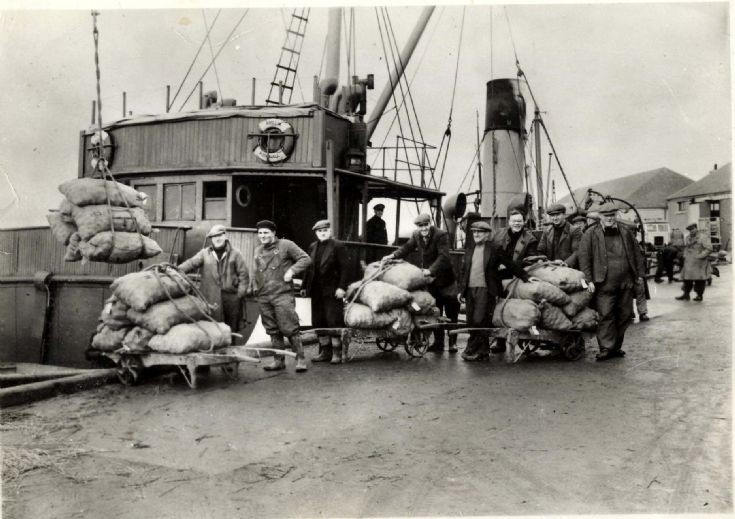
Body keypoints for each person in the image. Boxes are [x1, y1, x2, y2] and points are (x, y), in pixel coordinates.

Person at [578, 202, 645, 361]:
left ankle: (616, 347)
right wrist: (589, 279)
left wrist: (640, 275)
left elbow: (637, 253)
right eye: (606, 216)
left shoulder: (625, 231)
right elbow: (584, 257)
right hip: (604, 282)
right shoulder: (591, 233)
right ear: (600, 216)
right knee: (606, 314)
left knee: (625, 314)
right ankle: (606, 348)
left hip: (626, 281)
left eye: (612, 215)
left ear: (616, 215)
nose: (610, 219)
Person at [384, 213, 459, 353]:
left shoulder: (440, 235)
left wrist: (430, 270)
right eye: (420, 226)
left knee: (451, 311)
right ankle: (438, 343)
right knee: (435, 311)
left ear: (430, 224)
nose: (423, 228)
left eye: (425, 225)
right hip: (430, 281)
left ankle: (453, 342)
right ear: (417, 227)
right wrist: (392, 256)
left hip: (446, 280)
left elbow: (444, 256)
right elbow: (406, 248)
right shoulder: (416, 235)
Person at [458, 221, 530, 361]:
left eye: (480, 232)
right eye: (474, 232)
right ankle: (481, 349)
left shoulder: (494, 248)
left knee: (480, 320)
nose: (476, 234)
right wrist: (461, 291)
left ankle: (475, 348)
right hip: (470, 290)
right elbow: (463, 271)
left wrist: (526, 277)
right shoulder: (470, 249)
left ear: (487, 234)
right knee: (471, 321)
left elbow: (510, 264)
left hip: (486, 290)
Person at [252, 220, 312, 372]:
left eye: (266, 232)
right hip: (264, 295)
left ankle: (300, 359)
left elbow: (305, 259)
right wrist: (254, 288)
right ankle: (278, 360)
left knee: (290, 327)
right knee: (272, 329)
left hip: (282, 294)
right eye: (260, 233)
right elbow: (256, 272)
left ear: (273, 233)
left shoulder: (286, 245)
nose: (262, 236)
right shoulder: (258, 250)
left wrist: (291, 271)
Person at [178, 225, 249, 339]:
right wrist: (175, 270)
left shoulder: (236, 254)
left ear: (225, 236)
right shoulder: (205, 253)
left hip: (231, 298)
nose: (217, 238)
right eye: (214, 236)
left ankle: (230, 354)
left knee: (231, 329)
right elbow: (191, 263)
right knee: (212, 329)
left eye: (219, 235)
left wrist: (239, 295)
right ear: (211, 238)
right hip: (210, 297)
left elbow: (244, 276)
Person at [303, 220, 349, 364]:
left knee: (333, 320)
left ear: (330, 231)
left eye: (325, 230)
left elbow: (345, 268)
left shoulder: (338, 246)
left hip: (332, 290)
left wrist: (342, 287)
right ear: (316, 233)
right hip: (316, 290)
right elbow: (308, 268)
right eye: (319, 231)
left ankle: (337, 352)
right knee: (318, 321)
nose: (322, 233)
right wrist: (304, 286)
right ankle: (325, 351)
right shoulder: (312, 246)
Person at [676, 223, 713, 301]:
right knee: (686, 279)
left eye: (692, 229)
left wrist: (700, 256)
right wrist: (685, 255)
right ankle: (686, 294)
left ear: (696, 228)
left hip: (699, 263)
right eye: (689, 230)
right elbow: (686, 248)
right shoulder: (688, 237)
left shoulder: (703, 237)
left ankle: (699, 295)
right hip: (689, 261)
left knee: (699, 280)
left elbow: (709, 248)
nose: (691, 231)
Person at [537, 203, 582, 267]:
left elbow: (577, 252)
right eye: (552, 215)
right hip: (550, 266)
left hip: (568, 268)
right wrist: (541, 259)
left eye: (558, 215)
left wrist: (566, 263)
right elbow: (541, 250)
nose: (555, 218)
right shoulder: (547, 231)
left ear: (564, 215)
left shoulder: (574, 231)